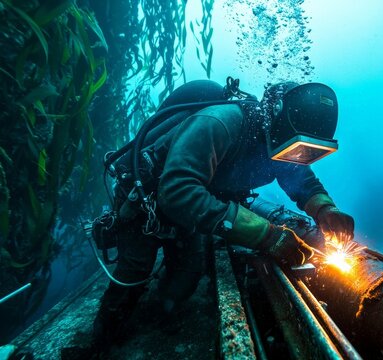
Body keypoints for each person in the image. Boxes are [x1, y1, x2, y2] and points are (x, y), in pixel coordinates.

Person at [91, 79, 354, 353]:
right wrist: (268, 236)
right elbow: (177, 191)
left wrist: (326, 210)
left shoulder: (282, 146)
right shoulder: (220, 123)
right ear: (276, 120)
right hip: (148, 200)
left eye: (311, 153)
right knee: (135, 270)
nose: (299, 158)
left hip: (195, 204)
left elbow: (304, 182)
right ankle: (99, 341)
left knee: (189, 272)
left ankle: (160, 313)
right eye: (301, 150)